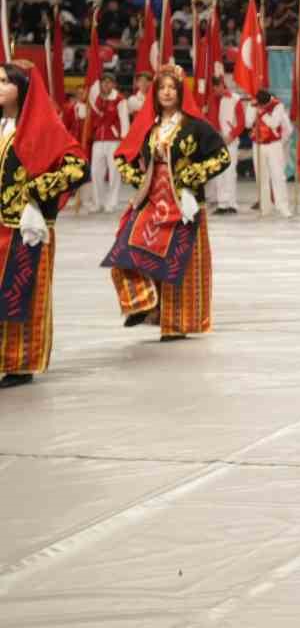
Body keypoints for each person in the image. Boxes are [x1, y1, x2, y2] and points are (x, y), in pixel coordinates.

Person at [102, 64, 230, 342]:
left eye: (172, 87)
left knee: (179, 263)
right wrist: (140, 180)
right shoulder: (148, 127)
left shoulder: (196, 126)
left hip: (183, 204)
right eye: (162, 88)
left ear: (181, 92)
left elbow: (222, 157)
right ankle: (143, 302)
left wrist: (188, 177)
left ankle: (176, 323)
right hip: (152, 202)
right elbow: (122, 157)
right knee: (124, 251)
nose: (167, 92)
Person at [0, 62, 89, 388]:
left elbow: (78, 169)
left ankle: (19, 363)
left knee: (23, 293)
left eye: (5, 82)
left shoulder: (42, 128)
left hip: (25, 228)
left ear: (22, 89)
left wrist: (36, 194)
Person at [87, 72, 129, 214]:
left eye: (109, 82)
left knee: (114, 172)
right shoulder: (96, 99)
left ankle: (111, 203)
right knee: (95, 172)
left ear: (114, 84)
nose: (106, 84)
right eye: (103, 82)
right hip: (98, 139)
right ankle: (97, 202)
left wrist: (124, 138)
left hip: (114, 140)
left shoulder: (119, 99)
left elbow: (124, 120)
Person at [249, 89, 293, 218]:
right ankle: (265, 207)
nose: (261, 106)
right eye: (260, 104)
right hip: (258, 145)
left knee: (278, 176)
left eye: (263, 105)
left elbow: (276, 124)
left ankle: (282, 206)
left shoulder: (278, 106)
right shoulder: (254, 106)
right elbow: (248, 123)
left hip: (274, 145)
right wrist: (252, 109)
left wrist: (262, 113)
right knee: (261, 177)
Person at [206, 76, 246, 214]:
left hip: (230, 140)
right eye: (213, 88)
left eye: (216, 87)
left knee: (230, 172)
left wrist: (232, 135)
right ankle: (222, 203)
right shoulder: (212, 99)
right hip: (217, 140)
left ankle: (231, 203)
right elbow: (210, 119)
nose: (215, 90)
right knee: (219, 172)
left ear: (222, 85)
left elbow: (241, 122)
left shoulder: (235, 99)